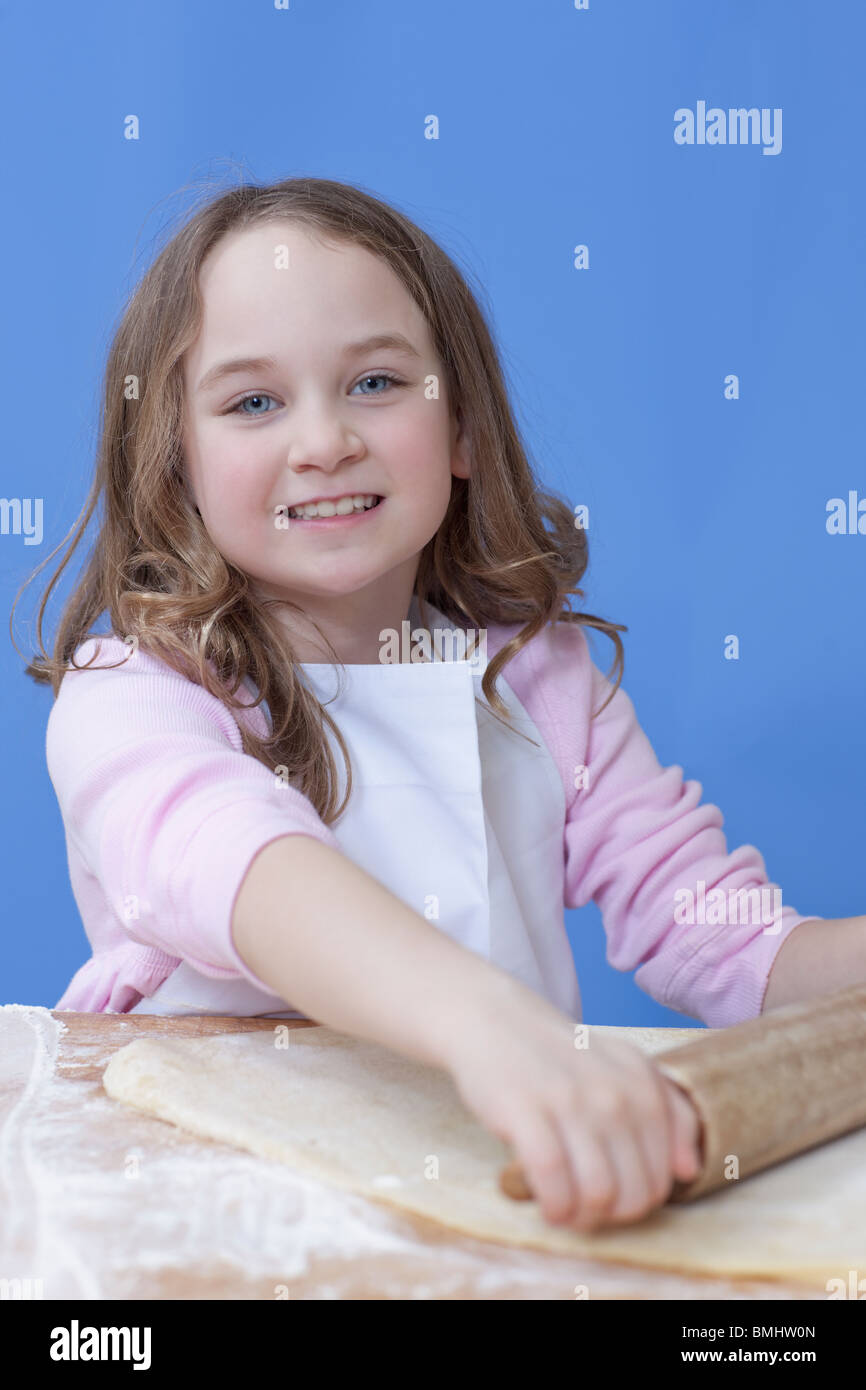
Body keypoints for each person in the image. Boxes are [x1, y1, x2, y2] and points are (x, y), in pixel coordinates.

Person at [19, 176, 838, 1236]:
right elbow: (238, 861)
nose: (323, 441)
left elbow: (728, 944)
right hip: (209, 1218)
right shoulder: (134, 696)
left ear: (461, 430)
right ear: (175, 466)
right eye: (253, 402)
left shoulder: (538, 682)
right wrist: (489, 1023)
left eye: (374, 381)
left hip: (486, 1196)